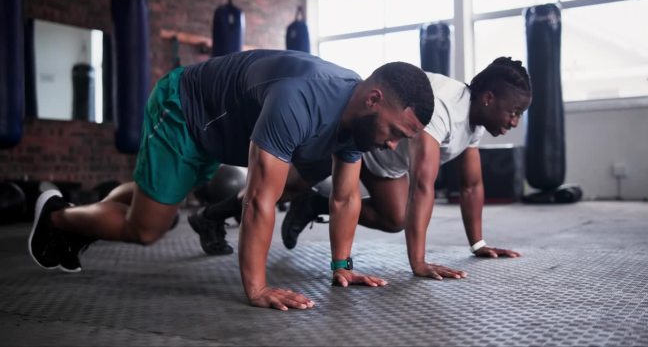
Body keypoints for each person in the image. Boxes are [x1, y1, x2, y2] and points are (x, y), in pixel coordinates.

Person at [28, 49, 435, 311]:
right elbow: (258, 201)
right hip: (186, 110)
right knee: (148, 227)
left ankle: (121, 203)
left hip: (222, 134)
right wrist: (257, 289)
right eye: (396, 132)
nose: (391, 145)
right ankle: (58, 217)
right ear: (374, 100)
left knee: (159, 201)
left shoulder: (358, 123)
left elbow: (346, 198)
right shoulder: (301, 99)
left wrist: (342, 266)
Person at [189, 57, 532, 282]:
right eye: (513, 112)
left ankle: (312, 204)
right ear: (488, 98)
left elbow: (471, 186)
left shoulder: (474, 125)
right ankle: (212, 216)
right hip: (367, 137)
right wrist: (419, 264)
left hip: (385, 155)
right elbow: (422, 186)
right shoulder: (444, 108)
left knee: (394, 218)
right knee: (279, 188)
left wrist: (478, 244)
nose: (514, 122)